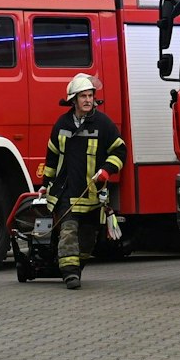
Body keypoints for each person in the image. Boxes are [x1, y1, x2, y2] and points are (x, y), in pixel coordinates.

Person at [40, 72, 128, 290]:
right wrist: (45, 183)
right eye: (83, 96)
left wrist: (107, 171)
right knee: (68, 230)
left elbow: (120, 150)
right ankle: (70, 274)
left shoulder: (103, 124)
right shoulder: (61, 125)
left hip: (92, 193)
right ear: (73, 99)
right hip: (66, 191)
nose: (88, 100)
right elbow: (51, 157)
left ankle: (76, 268)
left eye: (90, 96)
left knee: (88, 238)